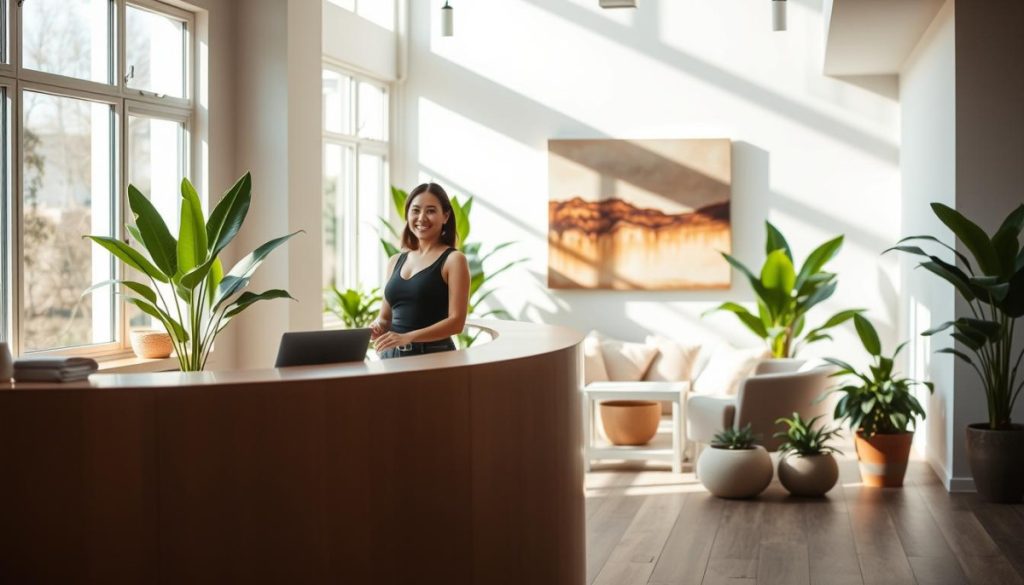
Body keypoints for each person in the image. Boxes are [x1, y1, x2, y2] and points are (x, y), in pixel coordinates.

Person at [371, 182, 470, 359]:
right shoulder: (395, 261)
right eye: (415, 210)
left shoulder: (454, 260)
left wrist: (408, 337)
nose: (422, 218)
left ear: (445, 216)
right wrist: (376, 326)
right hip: (390, 358)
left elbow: (456, 323)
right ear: (407, 215)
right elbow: (385, 318)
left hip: (433, 358)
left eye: (430, 211)